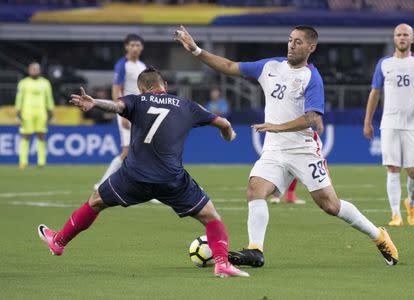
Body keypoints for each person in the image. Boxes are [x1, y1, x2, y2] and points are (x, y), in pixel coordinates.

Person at [175, 25, 399, 267]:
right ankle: (255, 250)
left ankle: (379, 236)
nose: (292, 45)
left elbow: (312, 118)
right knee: (255, 190)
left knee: (330, 205)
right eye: (290, 40)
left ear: (311, 47)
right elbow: (230, 66)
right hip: (274, 149)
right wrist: (196, 50)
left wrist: (278, 127)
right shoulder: (270, 66)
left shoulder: (312, 77)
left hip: (303, 149)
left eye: (298, 42)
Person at [37, 67, 249, 278]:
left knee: (95, 202)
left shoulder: (137, 101)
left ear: (141, 89)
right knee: (211, 217)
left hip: (134, 177)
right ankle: (221, 263)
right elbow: (224, 123)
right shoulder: (187, 106)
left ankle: (59, 241)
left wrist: (95, 103)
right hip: (171, 179)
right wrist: (228, 134)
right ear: (164, 85)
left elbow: (116, 106)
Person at [364, 24, 414, 227]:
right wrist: (367, 121)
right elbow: (375, 93)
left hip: (413, 125)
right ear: (394, 38)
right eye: (398, 35)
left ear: (411, 39)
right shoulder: (384, 64)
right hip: (389, 124)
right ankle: (395, 214)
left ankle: (410, 203)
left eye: (406, 35)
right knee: (392, 168)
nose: (402, 38)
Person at [94, 34, 147, 190]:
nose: (135, 48)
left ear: (142, 47)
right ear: (126, 47)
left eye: (138, 45)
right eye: (132, 45)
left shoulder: (142, 66)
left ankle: (145, 188)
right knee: (127, 151)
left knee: (142, 150)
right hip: (127, 111)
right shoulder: (122, 65)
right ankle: (102, 184)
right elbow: (116, 89)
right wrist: (122, 113)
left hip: (140, 113)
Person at [15, 62, 54, 169]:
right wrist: (18, 113)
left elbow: (49, 98)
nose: (34, 71)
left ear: (39, 70)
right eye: (33, 69)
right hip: (27, 112)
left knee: (41, 136)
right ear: (29, 70)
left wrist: (51, 112)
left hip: (41, 112)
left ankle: (41, 162)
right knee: (25, 135)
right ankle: (23, 162)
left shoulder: (45, 83)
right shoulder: (23, 83)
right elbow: (19, 98)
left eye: (36, 69)